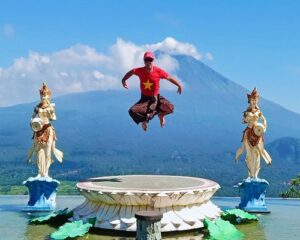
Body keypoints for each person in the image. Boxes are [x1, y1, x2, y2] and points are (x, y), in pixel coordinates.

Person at [121, 51, 182, 131]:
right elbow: (131, 72)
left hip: (156, 98)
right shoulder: (140, 71)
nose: (149, 62)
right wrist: (124, 80)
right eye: (147, 60)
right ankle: (144, 120)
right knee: (132, 111)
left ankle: (161, 115)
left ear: (153, 60)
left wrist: (179, 85)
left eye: (150, 60)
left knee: (170, 108)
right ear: (144, 61)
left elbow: (169, 78)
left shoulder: (158, 71)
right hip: (145, 99)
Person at [27, 83, 63, 177]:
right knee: (38, 152)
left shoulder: (50, 107)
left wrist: (51, 113)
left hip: (47, 129)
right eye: (42, 95)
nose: (43, 97)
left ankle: (46, 172)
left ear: (48, 96)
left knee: (47, 153)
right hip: (38, 130)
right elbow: (32, 117)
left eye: (45, 95)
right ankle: (39, 172)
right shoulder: (37, 107)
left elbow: (54, 118)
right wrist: (32, 123)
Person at [235, 88, 272, 178]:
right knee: (248, 154)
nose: (254, 101)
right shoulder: (247, 112)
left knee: (257, 153)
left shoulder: (258, 112)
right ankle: (250, 173)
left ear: (257, 100)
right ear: (249, 100)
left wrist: (264, 127)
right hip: (249, 132)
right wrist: (246, 119)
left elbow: (263, 119)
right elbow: (242, 121)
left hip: (257, 133)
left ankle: (255, 174)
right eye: (252, 99)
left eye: (255, 99)